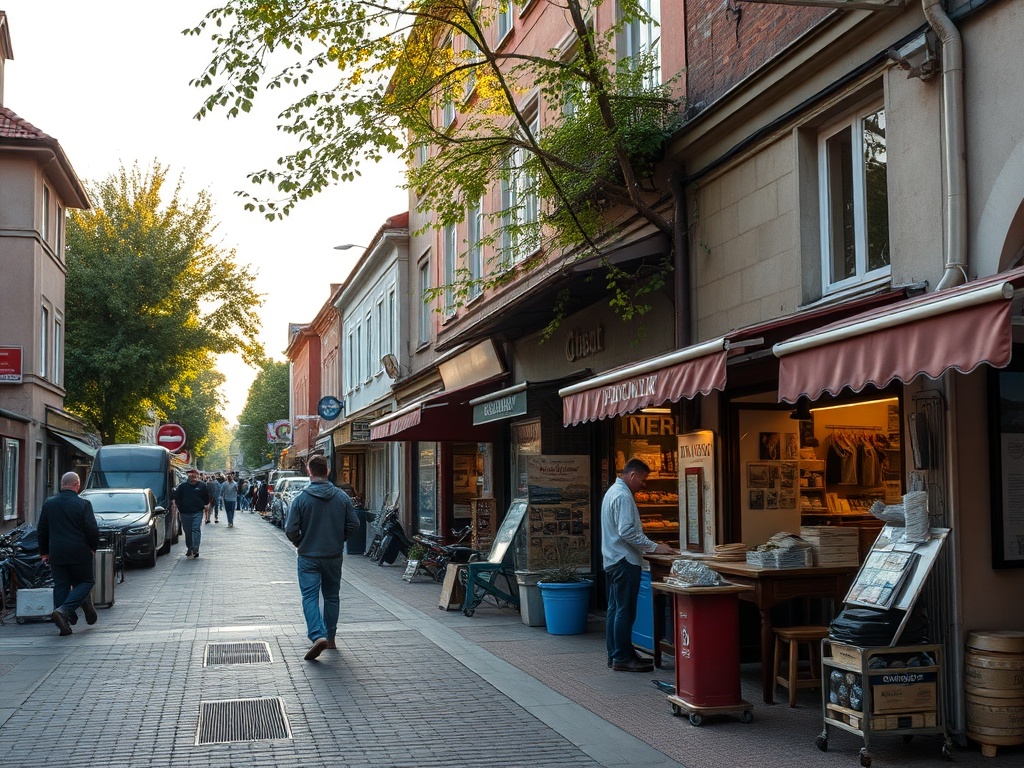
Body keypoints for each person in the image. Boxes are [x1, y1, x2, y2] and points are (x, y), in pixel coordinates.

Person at [601, 458, 677, 672]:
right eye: (642, 480)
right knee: (624, 610)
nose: (644, 485)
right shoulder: (623, 496)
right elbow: (627, 531)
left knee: (615, 610)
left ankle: (616, 653)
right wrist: (654, 547)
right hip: (624, 560)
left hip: (613, 559)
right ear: (632, 475)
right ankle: (622, 657)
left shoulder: (612, 492)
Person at [285, 454, 359, 661]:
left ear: (309, 472)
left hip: (308, 555)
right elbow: (354, 525)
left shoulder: (301, 499)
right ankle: (332, 638)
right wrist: (339, 539)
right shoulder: (341, 497)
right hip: (333, 556)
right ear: (327, 470)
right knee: (331, 596)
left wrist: (300, 542)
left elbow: (290, 528)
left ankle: (318, 635)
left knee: (309, 597)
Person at [38, 471, 100, 636]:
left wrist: (44, 551)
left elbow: (42, 528)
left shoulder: (49, 504)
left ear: (62, 484)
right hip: (79, 550)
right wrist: (93, 546)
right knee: (86, 581)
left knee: (61, 585)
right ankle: (65, 610)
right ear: (77, 485)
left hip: (56, 551)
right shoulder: (83, 504)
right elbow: (91, 529)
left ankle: (64, 620)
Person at [175, 468, 211, 559]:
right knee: (188, 532)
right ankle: (190, 548)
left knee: (196, 529)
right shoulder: (182, 486)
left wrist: (205, 505)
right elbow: (177, 498)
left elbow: (206, 498)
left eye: (195, 475)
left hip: (197, 512)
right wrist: (180, 507)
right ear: (189, 476)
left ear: (198, 476)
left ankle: (195, 548)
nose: (193, 477)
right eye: (191, 475)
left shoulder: (202, 486)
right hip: (185, 513)